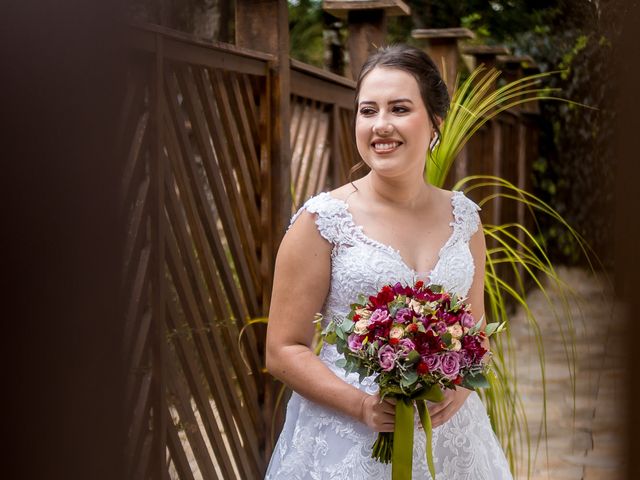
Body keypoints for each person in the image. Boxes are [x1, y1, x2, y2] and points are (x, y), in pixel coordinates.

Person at [264, 44, 513, 479]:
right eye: (367, 110)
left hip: (451, 440)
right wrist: (362, 405)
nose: (380, 126)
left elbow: (476, 333)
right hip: (348, 440)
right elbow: (282, 350)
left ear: (435, 122)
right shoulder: (322, 220)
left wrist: (455, 390)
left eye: (399, 108)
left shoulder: (466, 219)